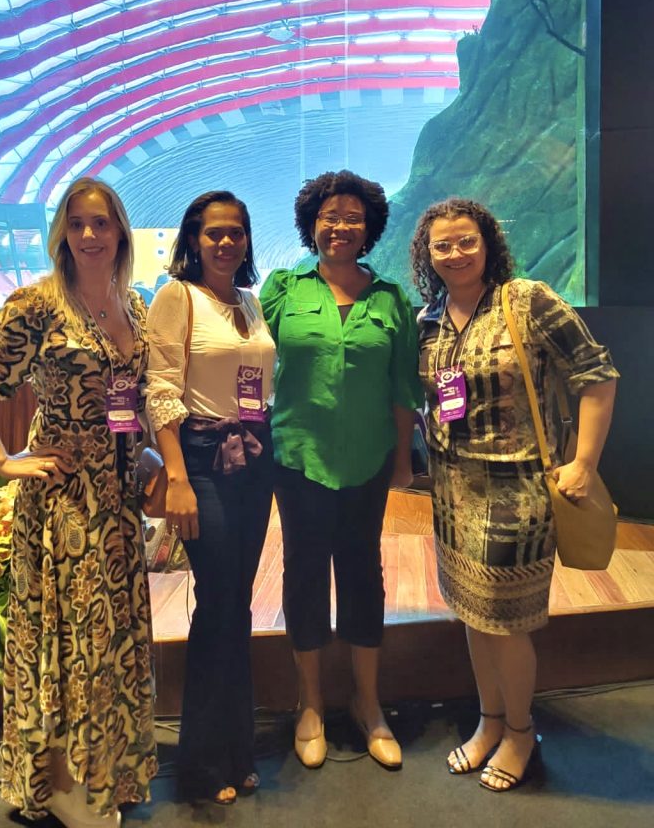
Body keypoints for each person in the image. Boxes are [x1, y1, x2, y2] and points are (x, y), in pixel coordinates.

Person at [0, 177, 156, 827]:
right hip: (66, 503)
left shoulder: (132, 304)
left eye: (101, 222)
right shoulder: (39, 304)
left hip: (118, 502)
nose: (89, 234)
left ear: (120, 232)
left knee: (109, 642)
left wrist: (145, 454)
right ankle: (61, 785)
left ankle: (105, 773)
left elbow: (134, 397)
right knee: (67, 644)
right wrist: (3, 461)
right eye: (77, 223)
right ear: (61, 233)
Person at [409, 197, 618, 793]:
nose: (455, 254)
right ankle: (490, 721)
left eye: (466, 241)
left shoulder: (527, 300)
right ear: (427, 253)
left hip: (518, 491)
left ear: (488, 243)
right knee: (474, 615)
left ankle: (522, 732)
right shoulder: (429, 319)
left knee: (507, 622)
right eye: (442, 245)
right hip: (452, 491)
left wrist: (584, 463)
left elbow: (597, 375)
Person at [260, 170, 422, 771]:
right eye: (330, 216)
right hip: (297, 457)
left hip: (368, 459)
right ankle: (310, 705)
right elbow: (246, 359)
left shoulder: (391, 299)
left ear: (369, 228)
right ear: (312, 224)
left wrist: (402, 458)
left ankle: (368, 703)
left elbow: (403, 387)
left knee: (362, 574)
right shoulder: (283, 290)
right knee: (304, 574)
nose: (341, 226)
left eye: (354, 217)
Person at [145, 190, 276, 805]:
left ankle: (237, 749)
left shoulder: (249, 302)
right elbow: (160, 390)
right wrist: (176, 477)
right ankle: (200, 762)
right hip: (200, 460)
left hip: (254, 456)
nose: (226, 242)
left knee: (236, 606)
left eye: (236, 232)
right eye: (213, 232)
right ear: (193, 240)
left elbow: (256, 385)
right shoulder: (178, 297)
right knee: (218, 602)